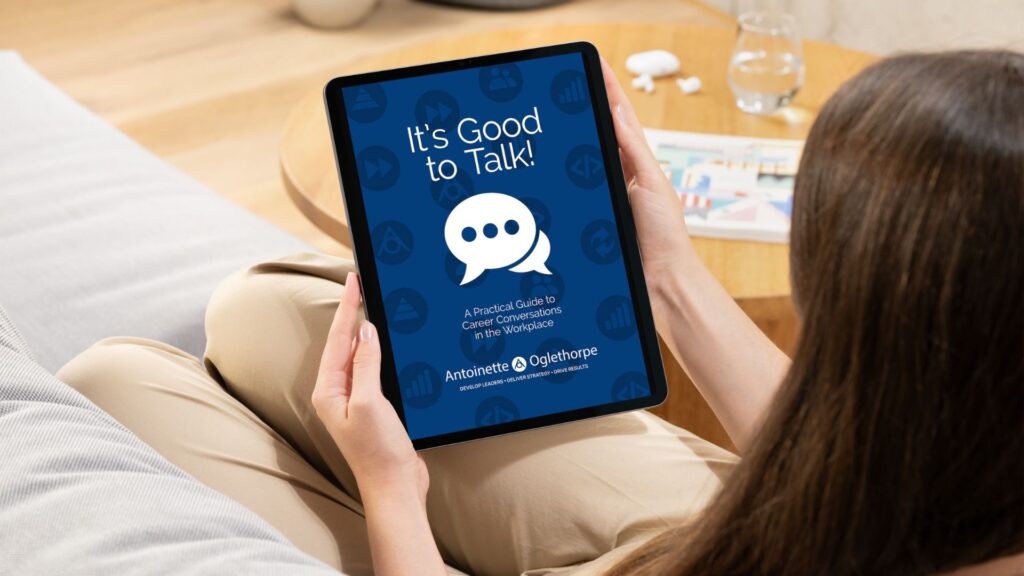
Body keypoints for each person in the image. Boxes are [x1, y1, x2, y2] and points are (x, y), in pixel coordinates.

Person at [60, 50, 1023, 575]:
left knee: (111, 381)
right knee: (259, 309)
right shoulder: (966, 460)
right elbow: (869, 466)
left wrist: (391, 489)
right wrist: (668, 273)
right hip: (742, 518)